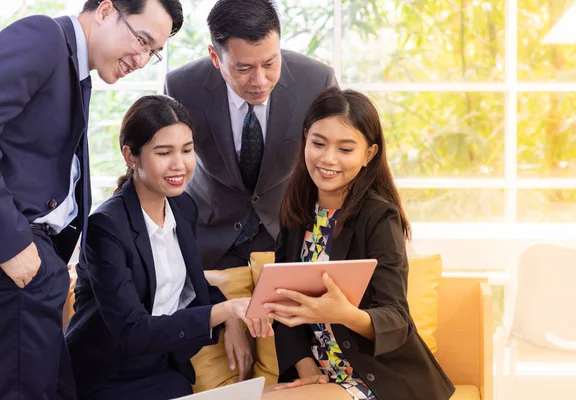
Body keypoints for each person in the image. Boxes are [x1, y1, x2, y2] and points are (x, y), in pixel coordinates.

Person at [0, 0, 183, 398]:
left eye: (153, 52)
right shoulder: (45, 38)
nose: (141, 57)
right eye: (141, 39)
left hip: (39, 265)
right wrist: (11, 242)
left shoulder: (77, 70)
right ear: (104, 10)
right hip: (16, 259)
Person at [65, 95, 273, 400]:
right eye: (164, 152)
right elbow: (132, 332)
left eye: (187, 150)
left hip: (164, 367)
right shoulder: (105, 227)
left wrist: (231, 318)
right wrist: (222, 311)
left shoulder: (182, 206)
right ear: (131, 156)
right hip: (108, 375)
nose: (180, 165)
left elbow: (190, 283)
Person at [262, 87, 455, 400]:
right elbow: (285, 310)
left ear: (369, 154)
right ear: (305, 139)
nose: (328, 159)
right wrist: (309, 372)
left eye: (345, 149)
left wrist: (343, 312)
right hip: (321, 375)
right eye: (318, 143)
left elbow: (396, 319)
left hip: (374, 378)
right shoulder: (296, 211)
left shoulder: (379, 217)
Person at [165, 0, 338, 273]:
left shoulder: (317, 81)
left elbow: (335, 164)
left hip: (288, 232)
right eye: (243, 69)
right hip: (210, 236)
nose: (260, 80)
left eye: (270, 63)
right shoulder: (182, 86)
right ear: (215, 57)